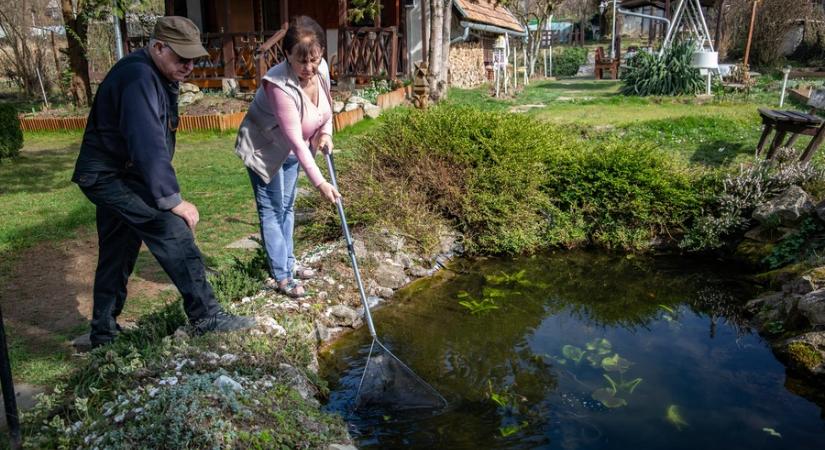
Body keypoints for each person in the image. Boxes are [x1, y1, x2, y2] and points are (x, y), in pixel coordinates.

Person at [72, 16, 255, 348]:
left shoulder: (154, 72)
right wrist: (173, 201)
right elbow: (148, 144)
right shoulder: (138, 77)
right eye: (181, 58)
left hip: (117, 173)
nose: (188, 66)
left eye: (193, 59)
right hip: (108, 175)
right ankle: (207, 316)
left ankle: (103, 334)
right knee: (172, 230)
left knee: (118, 249)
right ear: (157, 47)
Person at [235, 15, 341, 298]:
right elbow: (295, 138)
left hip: (296, 150)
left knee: (288, 207)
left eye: (314, 60)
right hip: (264, 149)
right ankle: (282, 275)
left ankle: (289, 263)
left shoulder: (321, 70)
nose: (309, 68)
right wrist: (320, 184)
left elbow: (325, 109)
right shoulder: (278, 85)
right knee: (272, 210)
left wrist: (326, 134)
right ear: (286, 55)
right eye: (301, 61)